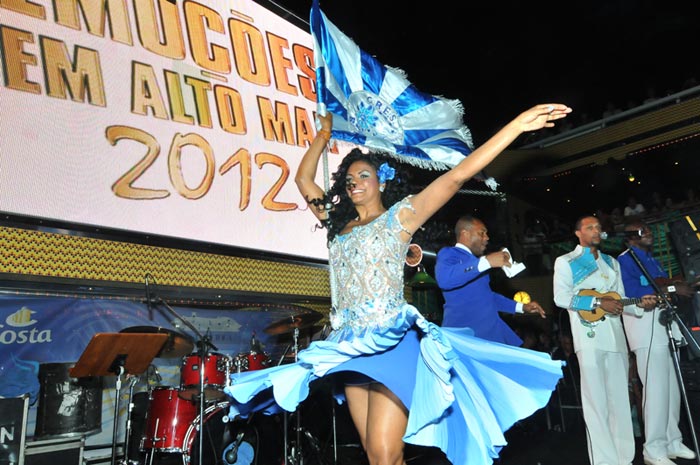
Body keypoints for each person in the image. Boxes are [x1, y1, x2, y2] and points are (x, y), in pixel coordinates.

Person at [223, 103, 571, 465]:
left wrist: (516, 124)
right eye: (349, 180)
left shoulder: (399, 218)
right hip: (350, 347)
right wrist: (322, 138)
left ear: (382, 181)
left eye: (363, 177)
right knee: (377, 457)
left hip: (392, 342)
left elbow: (455, 177)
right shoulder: (337, 224)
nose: (355, 184)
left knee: (387, 454)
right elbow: (303, 181)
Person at [553, 215, 657, 465]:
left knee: (620, 401)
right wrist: (597, 302)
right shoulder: (566, 261)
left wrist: (638, 304)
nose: (596, 230)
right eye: (589, 227)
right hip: (588, 340)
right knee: (596, 404)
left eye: (598, 227)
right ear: (578, 233)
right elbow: (561, 297)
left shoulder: (612, 262)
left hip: (616, 339)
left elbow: (619, 298)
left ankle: (624, 458)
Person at [618, 221, 698, 465]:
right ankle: (653, 450)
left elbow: (664, 282)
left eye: (649, 230)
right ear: (630, 237)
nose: (649, 234)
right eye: (643, 231)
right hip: (645, 329)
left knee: (672, 390)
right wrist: (671, 286)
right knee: (655, 390)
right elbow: (632, 289)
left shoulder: (649, 259)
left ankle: (672, 441)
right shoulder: (625, 259)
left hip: (664, 326)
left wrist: (680, 286)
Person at [435, 215, 546, 346]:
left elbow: (487, 297)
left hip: (491, 337)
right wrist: (486, 262)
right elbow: (445, 279)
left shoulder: (478, 263)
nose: (487, 238)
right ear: (465, 234)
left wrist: (522, 307)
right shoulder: (449, 253)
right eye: (482, 233)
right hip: (465, 338)